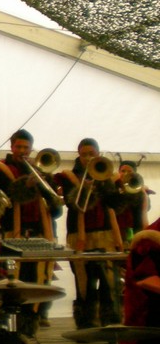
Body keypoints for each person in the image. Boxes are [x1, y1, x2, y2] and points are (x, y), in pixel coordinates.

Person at [54, 137, 124, 328]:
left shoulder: (106, 174)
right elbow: (72, 204)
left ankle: (110, 323)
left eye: (91, 154)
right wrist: (82, 187)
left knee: (109, 281)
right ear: (78, 155)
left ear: (98, 154)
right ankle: (85, 323)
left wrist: (109, 184)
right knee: (84, 281)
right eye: (84, 154)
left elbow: (115, 205)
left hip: (105, 233)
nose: (87, 158)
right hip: (79, 235)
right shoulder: (69, 176)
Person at [0, 129, 62, 328]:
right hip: (13, 233)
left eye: (26, 148)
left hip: (40, 232)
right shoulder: (1, 170)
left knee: (39, 280)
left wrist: (44, 187)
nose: (22, 151)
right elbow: (6, 201)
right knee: (16, 280)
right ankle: (14, 323)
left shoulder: (42, 172)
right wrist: (24, 186)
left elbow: (56, 211)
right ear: (11, 147)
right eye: (18, 147)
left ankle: (33, 320)